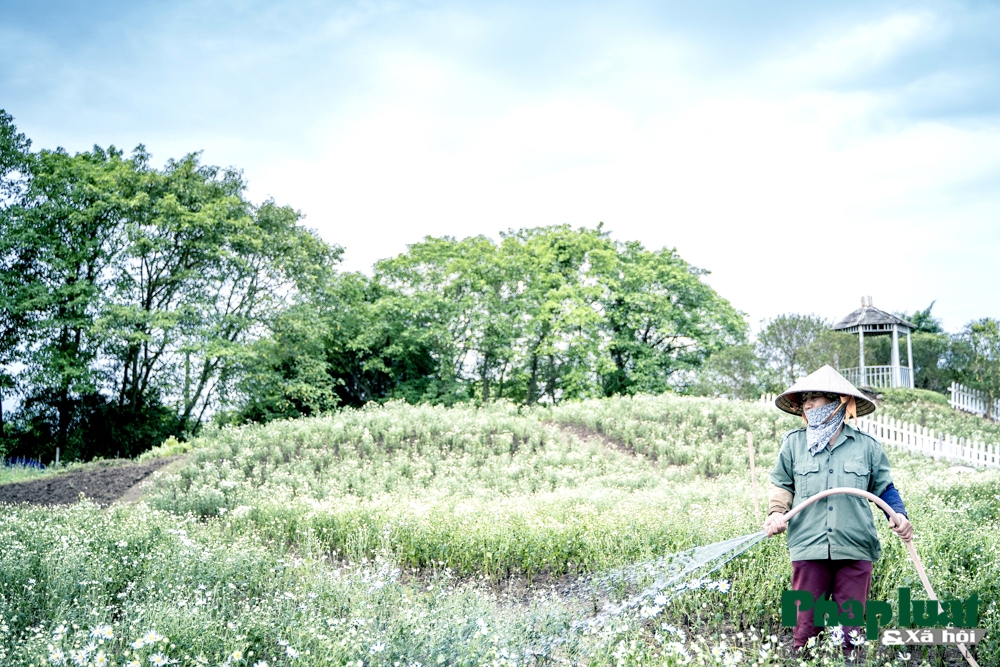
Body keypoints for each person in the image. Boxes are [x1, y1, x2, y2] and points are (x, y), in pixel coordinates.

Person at [762, 365, 914, 654]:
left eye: (814, 398)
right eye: (804, 399)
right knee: (806, 630)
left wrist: (899, 516)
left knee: (851, 633)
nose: (806, 405)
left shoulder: (867, 446)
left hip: (855, 547)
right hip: (808, 546)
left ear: (836, 402)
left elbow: (884, 488)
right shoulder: (794, 444)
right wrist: (775, 513)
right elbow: (782, 484)